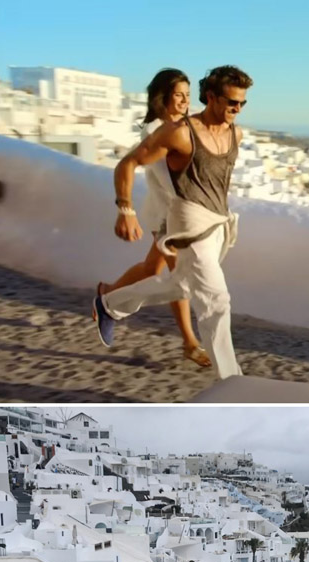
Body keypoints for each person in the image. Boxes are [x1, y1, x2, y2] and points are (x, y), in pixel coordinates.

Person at [94, 65, 253, 379]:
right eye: (232, 102)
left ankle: (109, 304)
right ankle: (231, 383)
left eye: (242, 103)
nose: (237, 109)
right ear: (211, 97)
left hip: (219, 227)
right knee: (216, 302)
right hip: (187, 227)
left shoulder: (236, 133)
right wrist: (125, 210)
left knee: (179, 285)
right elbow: (128, 164)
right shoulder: (179, 132)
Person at [96, 69, 212, 368]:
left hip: (173, 215)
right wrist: (126, 211)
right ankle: (189, 341)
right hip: (168, 218)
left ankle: (107, 294)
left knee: (151, 269)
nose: (185, 101)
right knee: (181, 281)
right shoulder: (155, 131)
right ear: (163, 96)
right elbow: (151, 175)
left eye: (188, 95)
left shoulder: (180, 125)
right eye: (178, 95)